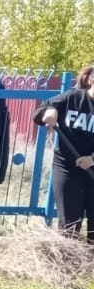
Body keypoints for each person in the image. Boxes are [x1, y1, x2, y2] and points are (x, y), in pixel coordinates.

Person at [34, 65, 94, 240]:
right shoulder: (72, 98)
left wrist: (92, 159)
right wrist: (49, 112)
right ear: (91, 80)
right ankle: (68, 263)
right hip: (68, 168)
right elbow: (43, 109)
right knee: (69, 224)